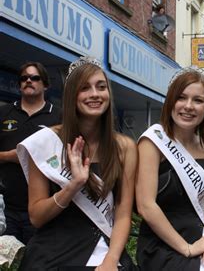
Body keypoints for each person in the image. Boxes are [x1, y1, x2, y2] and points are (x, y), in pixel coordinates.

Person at [16, 57, 137, 270]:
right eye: (85, 88)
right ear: (72, 95)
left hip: (106, 249)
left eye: (101, 87)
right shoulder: (45, 142)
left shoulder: (124, 147)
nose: (95, 94)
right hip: (53, 253)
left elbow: (123, 213)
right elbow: (36, 217)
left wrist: (110, 261)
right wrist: (73, 186)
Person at [135, 66, 204, 271]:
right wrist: (186, 248)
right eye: (181, 98)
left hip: (200, 237)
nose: (188, 106)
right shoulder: (153, 141)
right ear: (170, 102)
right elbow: (146, 206)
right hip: (162, 245)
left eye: (198, 100)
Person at [0, 61, 61, 244]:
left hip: (41, 209)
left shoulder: (58, 116)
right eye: (24, 78)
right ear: (19, 84)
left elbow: (65, 158)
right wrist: (8, 156)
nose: (29, 81)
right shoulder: (4, 112)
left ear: (45, 85)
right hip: (5, 208)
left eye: (35, 78)